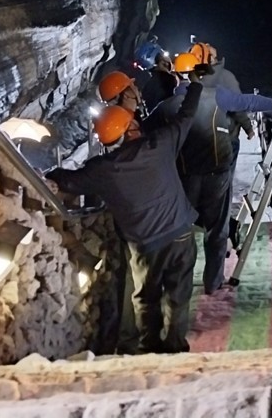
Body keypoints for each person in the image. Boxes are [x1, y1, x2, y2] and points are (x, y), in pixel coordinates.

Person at [47, 75, 204, 354]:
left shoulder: (102, 170)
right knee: (178, 296)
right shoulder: (159, 145)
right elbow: (187, 115)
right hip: (179, 233)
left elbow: (69, 181)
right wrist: (195, 85)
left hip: (145, 245)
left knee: (146, 298)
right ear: (131, 126)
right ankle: (176, 347)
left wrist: (52, 175)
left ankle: (150, 347)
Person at [159, 52, 272, 294]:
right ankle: (213, 282)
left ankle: (178, 284)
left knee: (181, 231)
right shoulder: (216, 96)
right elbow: (248, 102)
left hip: (184, 177)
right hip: (217, 175)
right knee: (217, 230)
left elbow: (142, 133)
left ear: (176, 75)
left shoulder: (166, 107)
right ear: (198, 73)